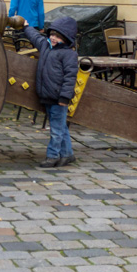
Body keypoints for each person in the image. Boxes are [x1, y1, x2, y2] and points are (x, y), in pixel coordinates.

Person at [24, 17, 79, 168]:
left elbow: (70, 78)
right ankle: (67, 154)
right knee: (60, 127)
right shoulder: (45, 46)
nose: (53, 38)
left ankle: (52, 156)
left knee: (56, 130)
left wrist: (64, 97)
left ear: (66, 39)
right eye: (52, 35)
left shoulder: (69, 55)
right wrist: (26, 26)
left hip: (58, 98)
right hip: (47, 96)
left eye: (58, 36)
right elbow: (35, 37)